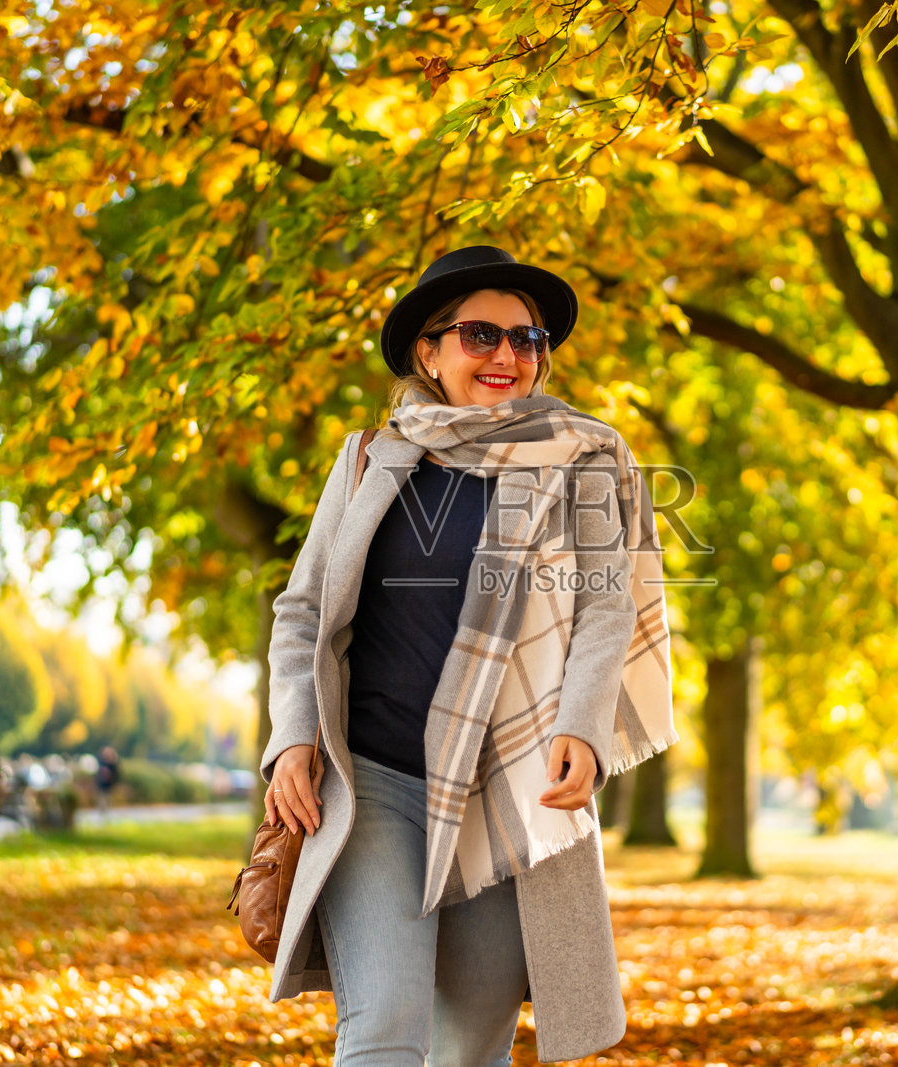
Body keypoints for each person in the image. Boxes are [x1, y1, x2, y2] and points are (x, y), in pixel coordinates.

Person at [259, 245, 676, 1065]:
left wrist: (584, 727)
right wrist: (292, 738)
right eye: (481, 334)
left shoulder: (582, 462)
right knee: (384, 1025)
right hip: (373, 778)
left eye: (527, 340)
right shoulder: (368, 463)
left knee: (474, 1040)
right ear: (429, 350)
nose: (507, 356)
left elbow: (604, 608)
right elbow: (302, 612)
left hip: (505, 791)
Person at [95, 745, 120, 819]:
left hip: (109, 786)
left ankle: (107, 816)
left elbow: (116, 776)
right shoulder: (101, 763)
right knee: (102, 802)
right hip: (102, 786)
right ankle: (103, 816)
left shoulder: (113, 765)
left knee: (108, 802)